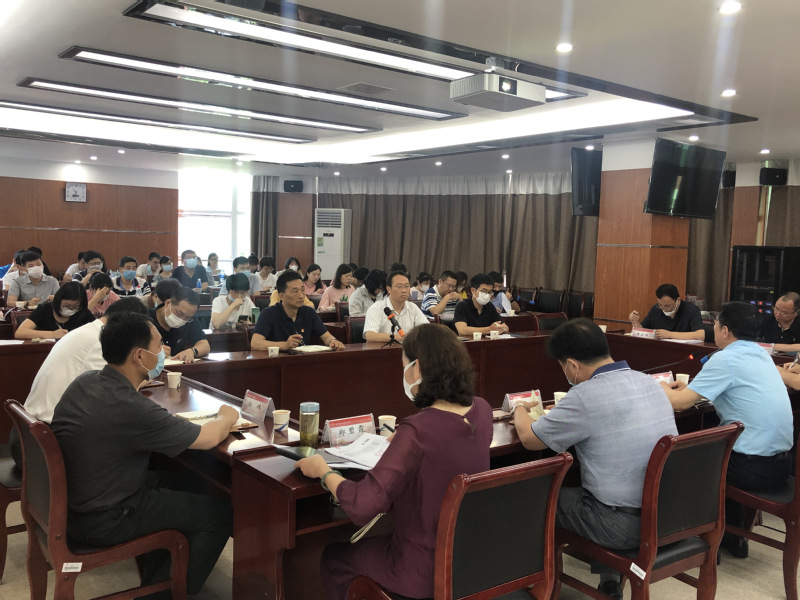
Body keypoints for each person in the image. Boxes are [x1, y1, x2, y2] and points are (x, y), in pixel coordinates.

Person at [296, 323, 493, 600]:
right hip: (469, 560)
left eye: (404, 366)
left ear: (418, 368)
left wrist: (324, 472)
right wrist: (403, 441)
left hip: (420, 570)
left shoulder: (418, 431)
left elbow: (363, 506)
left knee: (333, 557)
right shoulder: (482, 409)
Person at [50, 312, 236, 597]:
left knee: (195, 484)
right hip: (106, 516)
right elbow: (209, 438)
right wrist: (227, 415)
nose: (164, 352)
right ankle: (159, 595)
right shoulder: (131, 407)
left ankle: (160, 579)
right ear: (139, 356)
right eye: (159, 345)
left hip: (79, 501)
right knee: (220, 515)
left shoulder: (85, 381)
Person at [512, 318, 677, 598]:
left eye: (563, 366)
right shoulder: (649, 382)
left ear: (572, 365)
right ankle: (609, 580)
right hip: (669, 513)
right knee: (595, 488)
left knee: (534, 498)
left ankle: (534, 587)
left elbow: (530, 439)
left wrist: (519, 408)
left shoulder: (584, 395)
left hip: (621, 526)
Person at [660, 301, 793, 559]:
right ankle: (732, 536)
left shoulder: (726, 358)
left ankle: (700, 542)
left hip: (752, 469)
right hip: (780, 466)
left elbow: (680, 403)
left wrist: (662, 386)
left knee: (683, 458)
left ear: (725, 330)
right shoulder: (762, 355)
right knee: (723, 450)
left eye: (717, 323)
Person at [9, 297, 148, 467]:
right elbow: (119, 388)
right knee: (131, 450)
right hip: (45, 447)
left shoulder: (85, 331)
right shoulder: (101, 341)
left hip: (30, 435)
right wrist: (142, 379)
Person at [251, 271, 345, 352]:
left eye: (302, 290)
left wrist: (333, 341)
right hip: (277, 362)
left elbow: (326, 336)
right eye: (295, 291)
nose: (301, 295)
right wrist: (284, 345)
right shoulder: (268, 314)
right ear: (282, 296)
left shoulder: (309, 313)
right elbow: (255, 343)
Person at [14, 281, 95, 340]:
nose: (71, 309)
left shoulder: (83, 312)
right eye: (66, 305)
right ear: (58, 300)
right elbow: (20, 332)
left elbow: (99, 331)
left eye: (75, 307)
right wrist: (52, 334)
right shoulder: (44, 310)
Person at [364, 271, 428, 343]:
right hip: (384, 349)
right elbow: (370, 335)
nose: (404, 290)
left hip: (408, 349)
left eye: (407, 286)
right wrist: (404, 337)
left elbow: (426, 330)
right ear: (389, 289)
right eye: (399, 287)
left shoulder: (413, 307)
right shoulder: (376, 308)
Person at [150, 286, 210, 362]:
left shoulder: (191, 320)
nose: (182, 319)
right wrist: (151, 350)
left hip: (176, 366)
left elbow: (205, 345)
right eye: (179, 313)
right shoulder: (146, 318)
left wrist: (192, 351)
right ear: (168, 303)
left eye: (187, 317)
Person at [628, 283, 704, 341]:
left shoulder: (691, 310)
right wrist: (635, 322)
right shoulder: (656, 309)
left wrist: (669, 334)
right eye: (660, 305)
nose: (663, 308)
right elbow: (642, 332)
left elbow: (700, 335)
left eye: (667, 306)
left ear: (678, 300)